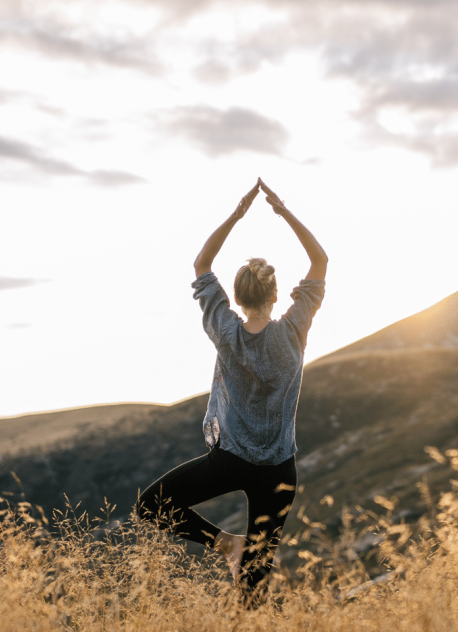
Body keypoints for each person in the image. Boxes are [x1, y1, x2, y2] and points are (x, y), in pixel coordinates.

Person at [135, 178, 328, 606]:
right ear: (277, 295)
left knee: (150, 505)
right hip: (279, 470)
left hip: (230, 461)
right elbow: (320, 259)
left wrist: (238, 214)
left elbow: (202, 261)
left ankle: (226, 544)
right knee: (253, 593)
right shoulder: (295, 330)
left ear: (236, 298)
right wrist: (283, 211)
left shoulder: (225, 330)